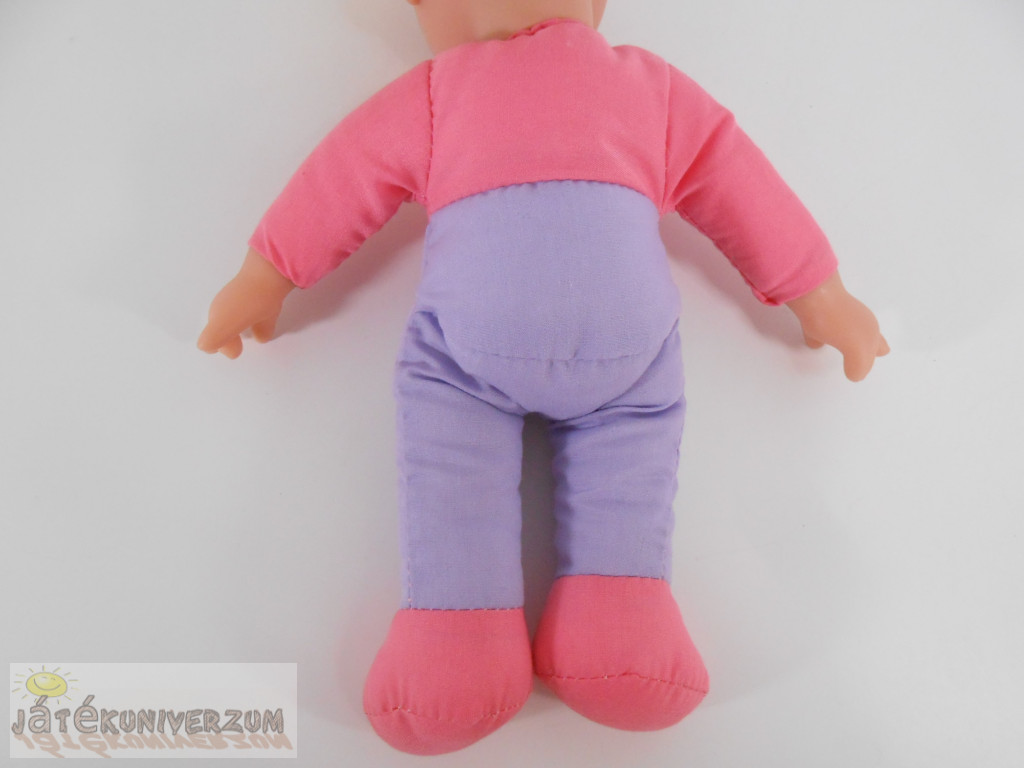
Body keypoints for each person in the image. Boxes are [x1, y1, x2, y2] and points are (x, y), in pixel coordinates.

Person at [198, 0, 888, 755]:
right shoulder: (645, 85)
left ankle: (458, 637)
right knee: (625, 475)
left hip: (469, 354)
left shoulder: (440, 90)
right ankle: (616, 624)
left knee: (451, 474)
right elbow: (739, 181)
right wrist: (821, 294)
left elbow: (343, 175)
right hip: (625, 355)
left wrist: (266, 275)